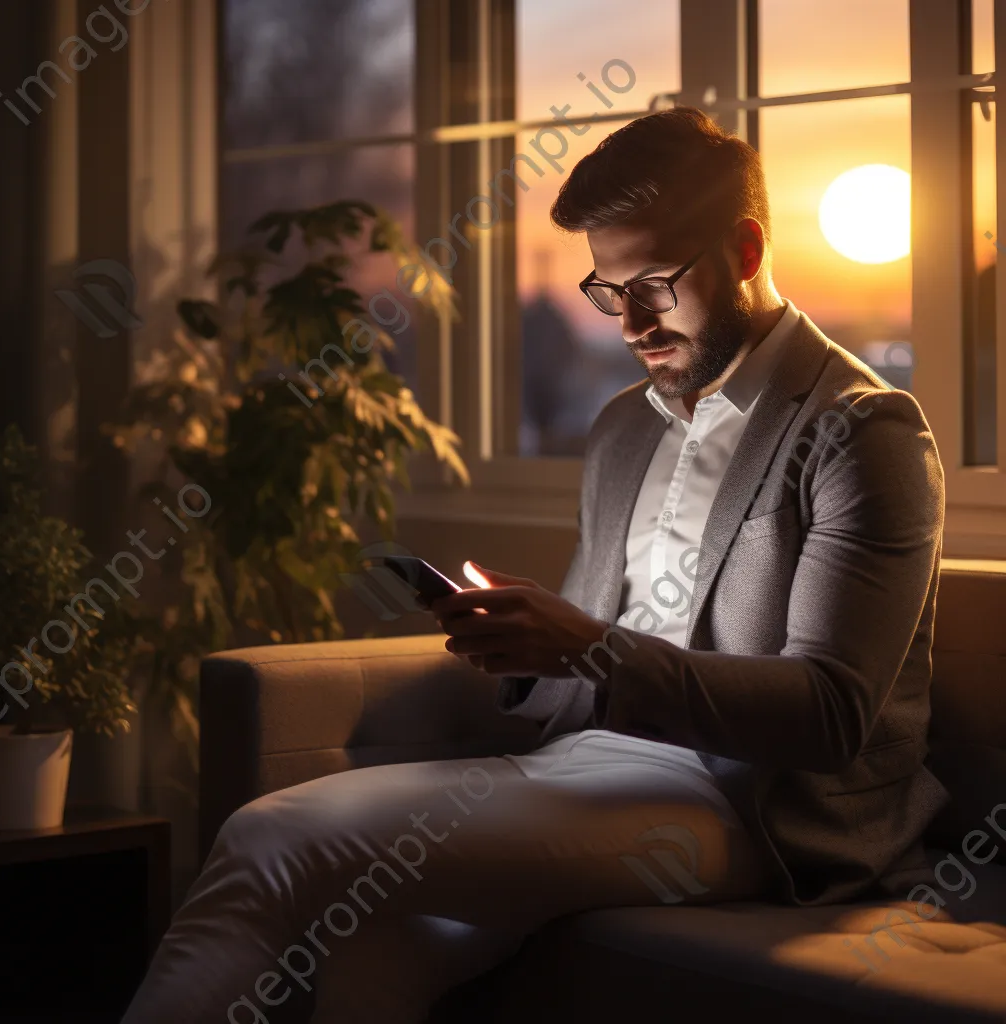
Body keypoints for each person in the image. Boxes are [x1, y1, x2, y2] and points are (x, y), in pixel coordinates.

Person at [122, 106, 947, 1024]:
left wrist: (592, 648)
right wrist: (530, 646)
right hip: (588, 766)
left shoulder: (859, 430)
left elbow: (830, 717)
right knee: (374, 944)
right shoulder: (624, 427)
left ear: (746, 249)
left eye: (657, 284)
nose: (630, 321)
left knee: (274, 837)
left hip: (760, 806)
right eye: (608, 288)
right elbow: (593, 675)